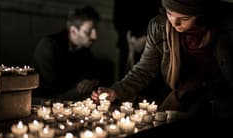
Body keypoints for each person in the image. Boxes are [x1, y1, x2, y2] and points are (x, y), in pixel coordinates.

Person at [92, 0, 233, 119]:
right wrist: (116, 91)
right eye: (169, 13)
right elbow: (144, 70)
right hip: (178, 94)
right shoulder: (159, 26)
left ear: (201, 15)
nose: (174, 23)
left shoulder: (226, 27)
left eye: (184, 19)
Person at [32, 6, 105, 101]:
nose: (94, 36)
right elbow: (51, 86)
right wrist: (79, 86)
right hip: (44, 101)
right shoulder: (48, 45)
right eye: (88, 31)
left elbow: (96, 76)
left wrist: (92, 82)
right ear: (73, 31)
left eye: (95, 29)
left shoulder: (85, 52)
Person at [113, 0, 161, 79]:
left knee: (145, 79)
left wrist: (145, 38)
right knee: (124, 78)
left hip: (149, 44)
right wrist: (128, 37)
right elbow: (117, 18)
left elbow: (159, 17)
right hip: (126, 44)